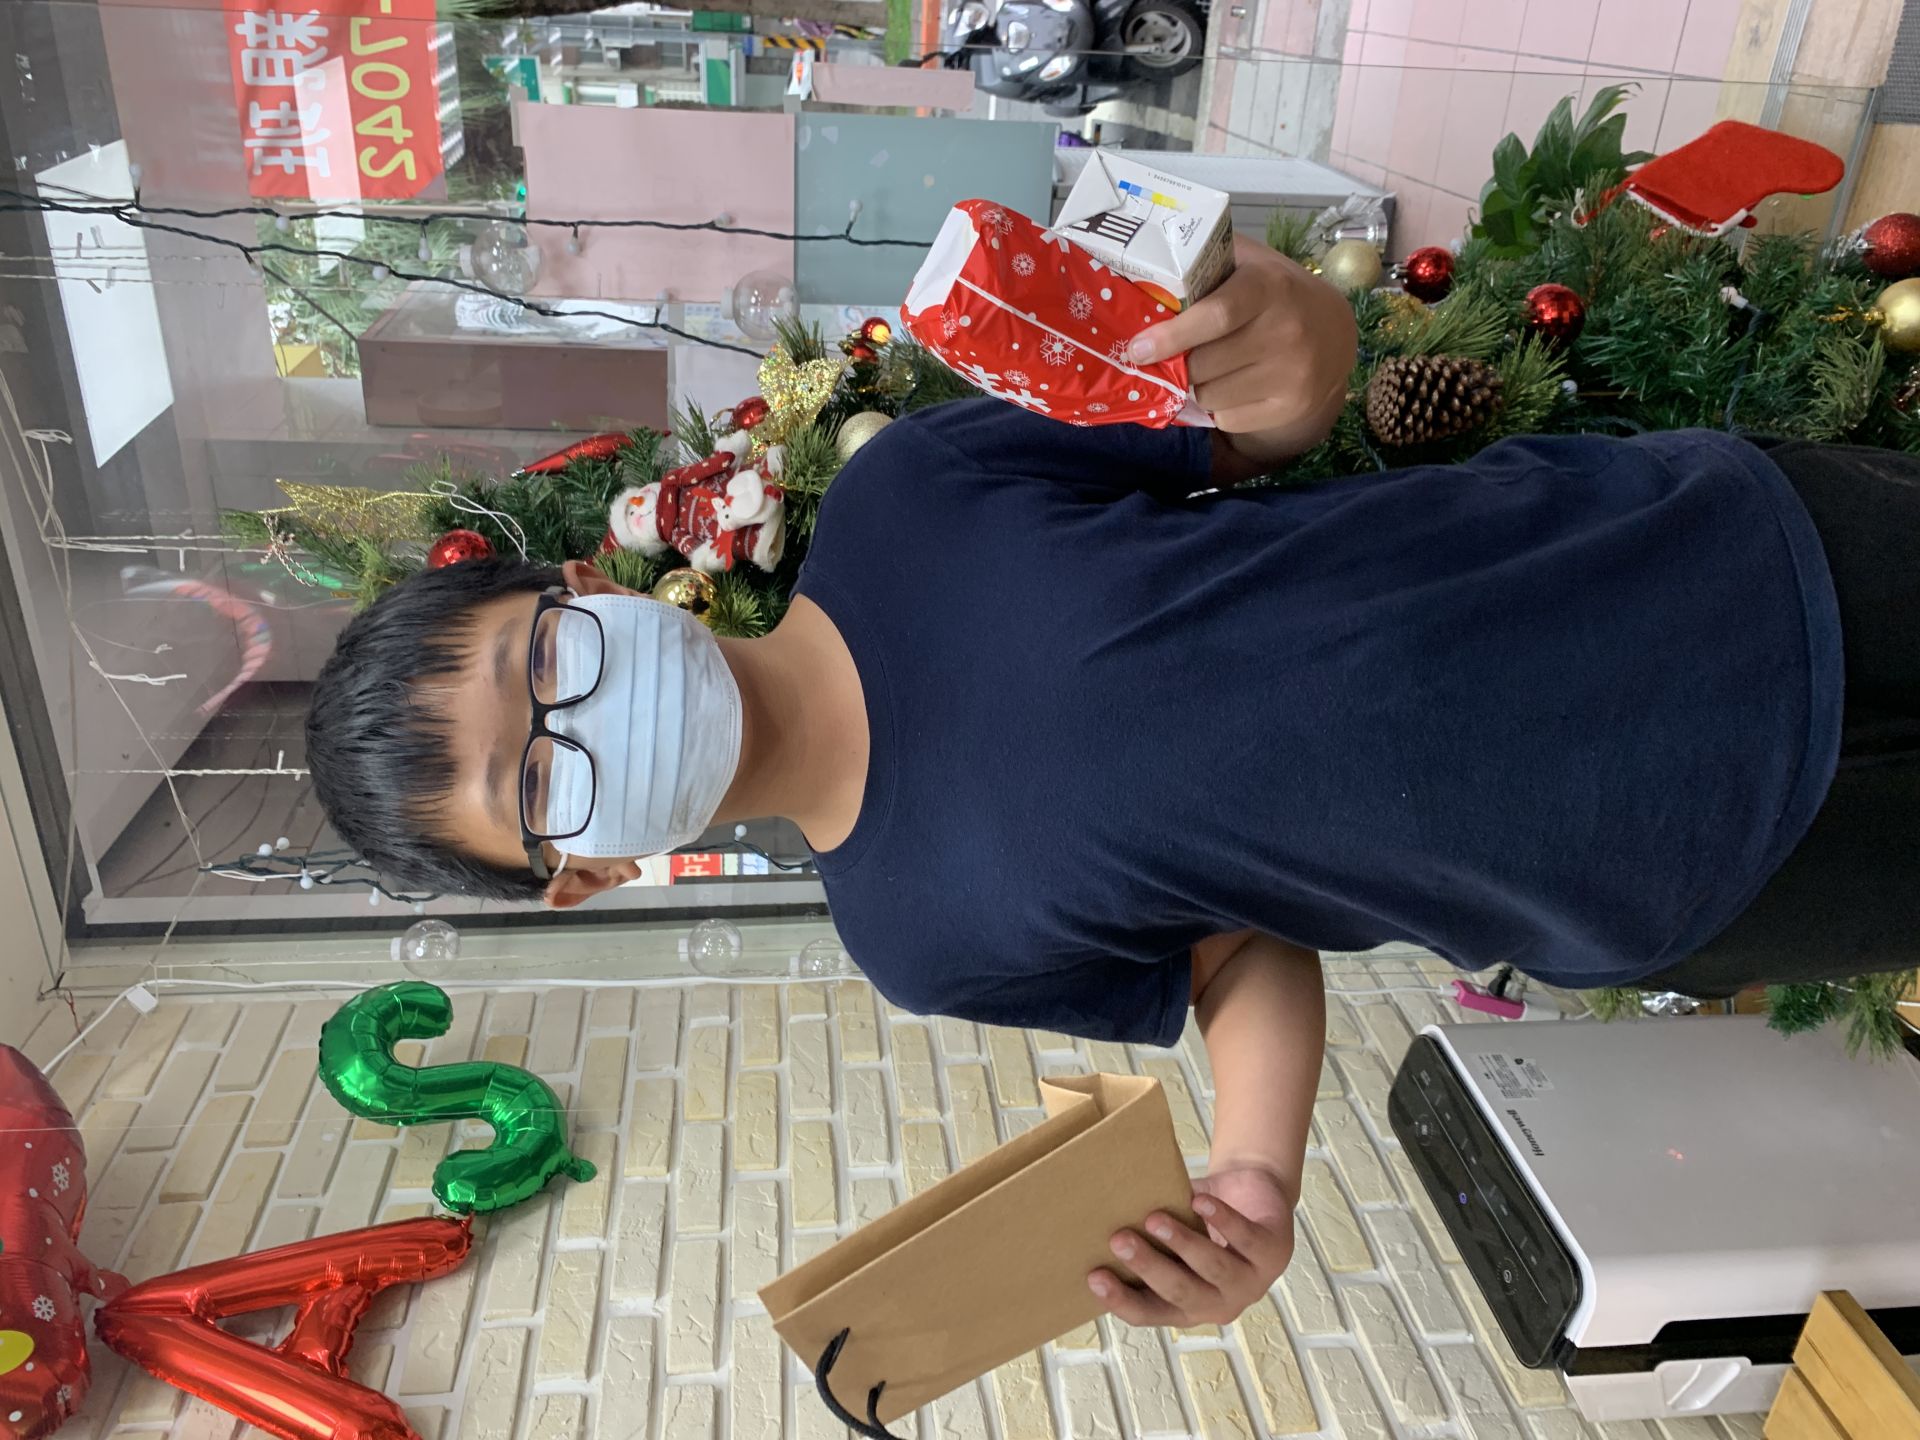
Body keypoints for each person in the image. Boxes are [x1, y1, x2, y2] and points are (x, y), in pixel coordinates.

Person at [306, 236, 1919, 1334]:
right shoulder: (918, 940)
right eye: (537, 781)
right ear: (581, 872)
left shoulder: (913, 490)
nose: (578, 714)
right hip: (1686, 870)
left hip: (1716, 554)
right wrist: (1255, 1175)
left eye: (540, 658)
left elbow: (1259, 425)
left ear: (583, 585)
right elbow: (1237, 950)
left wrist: (1298, 331)